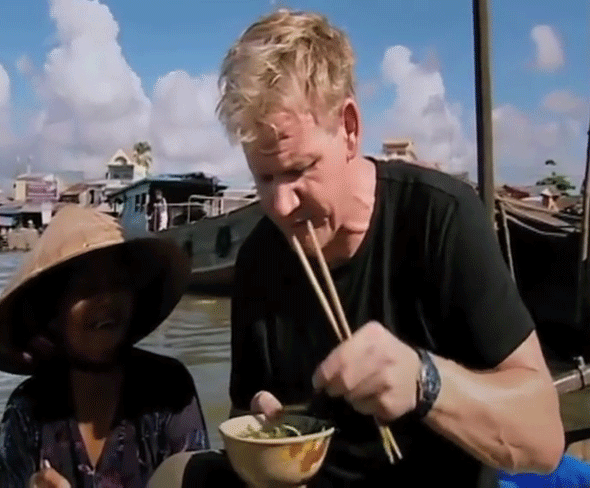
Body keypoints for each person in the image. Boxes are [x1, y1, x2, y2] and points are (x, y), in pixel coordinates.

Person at [212, 8, 564, 488]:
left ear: (349, 128)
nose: (279, 205)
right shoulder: (259, 259)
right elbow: (245, 406)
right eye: (264, 177)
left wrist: (424, 382)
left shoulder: (439, 218)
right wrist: (262, 423)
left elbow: (544, 441)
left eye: (297, 170)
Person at [0, 205, 210, 488]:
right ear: (52, 313)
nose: (107, 300)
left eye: (118, 283)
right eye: (86, 288)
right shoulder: (28, 409)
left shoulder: (169, 388)